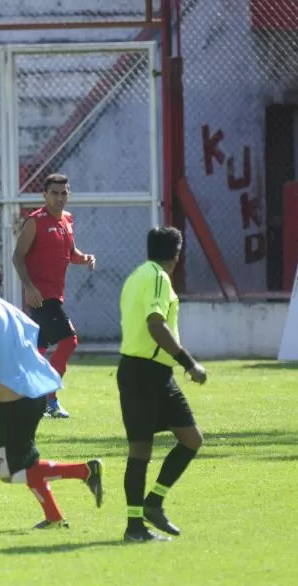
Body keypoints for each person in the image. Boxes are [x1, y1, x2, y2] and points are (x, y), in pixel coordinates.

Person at [0, 260, 103, 529]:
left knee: (9, 472)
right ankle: (54, 517)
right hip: (33, 397)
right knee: (23, 465)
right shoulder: (14, 312)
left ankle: (84, 470)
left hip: (16, 406)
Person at [117, 226, 206, 542]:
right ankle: (134, 526)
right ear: (177, 253)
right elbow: (156, 325)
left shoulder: (137, 275)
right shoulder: (156, 278)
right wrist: (189, 363)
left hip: (154, 373)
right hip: (144, 372)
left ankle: (153, 502)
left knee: (191, 438)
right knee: (140, 449)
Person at [12, 173, 96, 419]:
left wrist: (85, 258)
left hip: (55, 295)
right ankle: (49, 399)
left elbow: (70, 253)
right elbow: (18, 256)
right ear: (45, 195)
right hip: (41, 296)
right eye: (54, 193)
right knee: (69, 342)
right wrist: (29, 286)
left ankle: (24, 397)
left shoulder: (67, 219)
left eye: (64, 193)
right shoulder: (35, 221)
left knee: (39, 349)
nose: (59, 198)